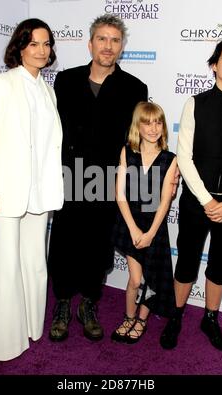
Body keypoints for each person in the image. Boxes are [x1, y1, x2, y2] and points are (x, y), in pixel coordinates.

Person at [48, 14, 148, 342]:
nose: (108, 46)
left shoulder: (135, 88)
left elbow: (137, 141)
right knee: (63, 242)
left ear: (122, 47)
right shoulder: (64, 81)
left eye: (115, 40)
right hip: (67, 178)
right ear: (90, 43)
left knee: (98, 246)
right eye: (102, 39)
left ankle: (88, 304)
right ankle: (62, 303)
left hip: (107, 182)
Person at [0, 18, 64, 361]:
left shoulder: (47, 88)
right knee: (6, 265)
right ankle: (1, 342)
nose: (42, 51)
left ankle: (30, 326)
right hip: (7, 192)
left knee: (34, 263)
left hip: (39, 193)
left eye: (46, 44)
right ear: (20, 47)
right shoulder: (2, 82)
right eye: (34, 44)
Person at [160, 39, 222, 352]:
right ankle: (175, 316)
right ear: (214, 65)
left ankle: (210, 318)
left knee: (219, 264)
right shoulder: (195, 103)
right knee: (187, 260)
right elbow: (183, 158)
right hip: (195, 203)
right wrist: (207, 201)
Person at [110, 102, 177, 344]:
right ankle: (129, 317)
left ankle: (142, 319)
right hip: (130, 223)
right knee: (135, 279)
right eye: (147, 122)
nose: (153, 128)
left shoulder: (170, 159)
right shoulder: (127, 152)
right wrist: (134, 229)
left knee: (151, 279)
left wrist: (149, 234)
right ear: (138, 125)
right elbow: (120, 195)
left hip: (155, 228)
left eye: (158, 122)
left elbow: (164, 203)